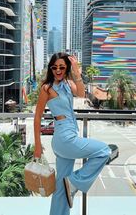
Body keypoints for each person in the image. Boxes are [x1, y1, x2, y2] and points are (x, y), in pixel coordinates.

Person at [34, 52, 111, 215]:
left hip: (69, 135)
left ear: (66, 68)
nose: (58, 70)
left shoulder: (68, 83)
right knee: (104, 150)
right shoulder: (47, 88)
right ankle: (75, 182)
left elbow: (82, 94)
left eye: (62, 67)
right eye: (54, 67)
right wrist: (38, 145)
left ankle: (68, 187)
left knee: (61, 188)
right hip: (64, 138)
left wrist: (77, 73)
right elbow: (37, 117)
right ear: (50, 69)